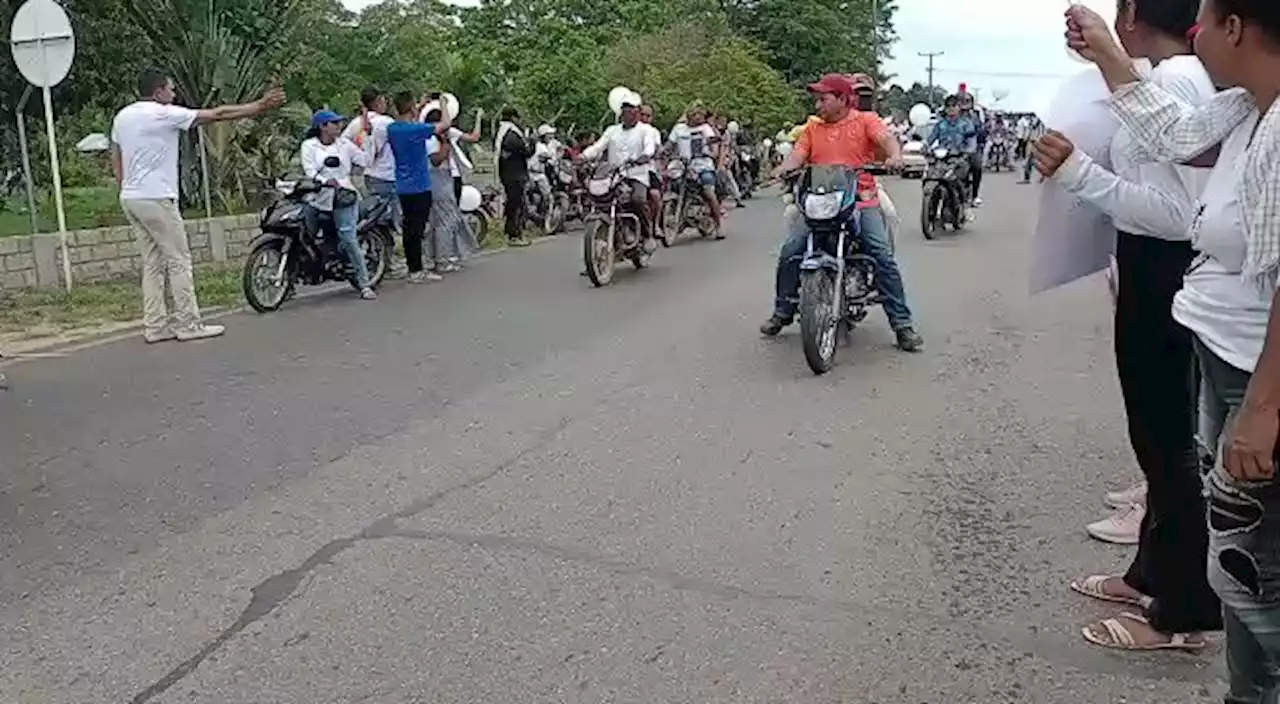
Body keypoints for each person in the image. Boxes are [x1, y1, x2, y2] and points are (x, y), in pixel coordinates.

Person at [1067, 0, 1280, 683]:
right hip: (1226, 353)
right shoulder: (1250, 105)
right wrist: (1106, 54)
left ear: (1239, 29)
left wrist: (1262, 410)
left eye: (1208, 21)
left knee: (1254, 571)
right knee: (1237, 550)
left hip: (1254, 369)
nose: (1196, 35)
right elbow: (1175, 135)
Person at [1033, 0, 1220, 652]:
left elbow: (1178, 213)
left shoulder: (1178, 82)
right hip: (1150, 267)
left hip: (1166, 267)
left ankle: (1183, 614)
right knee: (1156, 439)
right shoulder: (1166, 79)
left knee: (1169, 447)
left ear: (1132, 12)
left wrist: (1078, 173)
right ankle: (1151, 575)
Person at [111, 69, 285, 343]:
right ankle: (188, 323)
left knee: (153, 263)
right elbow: (216, 115)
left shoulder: (123, 117)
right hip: (157, 197)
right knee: (179, 260)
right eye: (170, 89)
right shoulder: (163, 113)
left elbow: (116, 156)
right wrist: (258, 106)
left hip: (131, 198)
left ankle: (155, 326)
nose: (174, 93)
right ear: (158, 92)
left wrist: (124, 187)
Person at [763, 73, 923, 352]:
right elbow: (797, 155)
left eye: (823, 99)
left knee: (880, 254)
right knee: (792, 250)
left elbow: (887, 140)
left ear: (841, 100)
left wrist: (895, 156)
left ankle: (902, 325)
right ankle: (784, 310)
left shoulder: (866, 121)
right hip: (819, 200)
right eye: (817, 99)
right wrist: (784, 168)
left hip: (860, 198)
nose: (818, 105)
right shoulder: (812, 130)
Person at [300, 110, 376, 300]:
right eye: (334, 123)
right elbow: (309, 170)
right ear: (322, 127)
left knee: (348, 237)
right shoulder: (309, 146)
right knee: (304, 233)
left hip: (343, 195)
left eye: (339, 122)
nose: (338, 126)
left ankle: (364, 282)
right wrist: (322, 180)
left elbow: (366, 160)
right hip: (317, 195)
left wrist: (367, 137)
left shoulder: (345, 145)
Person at [386, 91, 452, 283]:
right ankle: (417, 271)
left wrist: (420, 106)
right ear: (411, 108)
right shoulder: (415, 130)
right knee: (417, 229)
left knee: (409, 228)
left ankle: (413, 268)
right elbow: (445, 124)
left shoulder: (393, 129)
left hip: (402, 185)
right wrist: (443, 104)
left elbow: (409, 120)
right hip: (420, 185)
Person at [343, 86, 404, 277]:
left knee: (372, 219)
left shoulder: (357, 123)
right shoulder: (386, 122)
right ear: (377, 101)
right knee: (386, 219)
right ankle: (388, 262)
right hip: (387, 176)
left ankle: (377, 260)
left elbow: (343, 142)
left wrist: (359, 157)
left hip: (369, 175)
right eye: (383, 100)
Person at [580, 99, 658, 241]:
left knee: (638, 200)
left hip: (636, 175)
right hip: (613, 175)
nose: (629, 114)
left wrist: (645, 156)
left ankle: (648, 234)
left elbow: (649, 148)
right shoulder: (612, 130)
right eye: (625, 110)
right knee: (598, 198)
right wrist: (583, 156)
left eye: (632, 110)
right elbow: (598, 147)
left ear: (637, 113)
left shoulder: (646, 130)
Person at [422, 105, 480, 275]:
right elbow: (436, 160)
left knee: (438, 221)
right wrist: (445, 144)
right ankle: (443, 259)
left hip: (441, 180)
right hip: (439, 180)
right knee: (445, 221)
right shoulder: (431, 140)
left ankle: (435, 257)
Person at [667, 106, 724, 238]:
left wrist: (710, 147)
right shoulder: (678, 129)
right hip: (683, 166)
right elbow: (669, 145)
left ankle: (718, 224)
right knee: (673, 185)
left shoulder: (705, 128)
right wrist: (663, 152)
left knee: (708, 192)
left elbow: (712, 140)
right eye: (695, 114)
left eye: (700, 115)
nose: (698, 117)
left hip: (702, 166)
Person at [496, 107, 533, 247]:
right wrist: (532, 141)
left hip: (507, 173)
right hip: (514, 174)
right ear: (512, 118)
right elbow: (526, 151)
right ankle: (514, 235)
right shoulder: (511, 134)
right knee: (516, 204)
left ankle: (510, 231)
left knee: (512, 204)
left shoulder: (502, 131)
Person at [638, 105, 665, 231]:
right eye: (642, 114)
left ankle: (655, 225)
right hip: (629, 171)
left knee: (655, 195)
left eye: (647, 116)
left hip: (649, 169)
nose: (644, 118)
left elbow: (659, 150)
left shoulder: (654, 132)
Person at [959, 93, 986, 205]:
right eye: (961, 101)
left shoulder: (975, 116)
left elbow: (980, 131)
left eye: (967, 101)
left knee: (977, 167)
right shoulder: (951, 116)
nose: (964, 104)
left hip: (972, 148)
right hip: (955, 148)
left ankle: (975, 195)